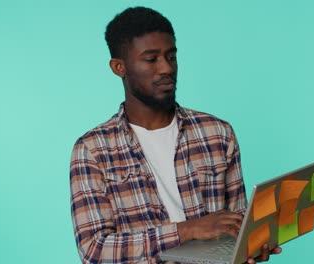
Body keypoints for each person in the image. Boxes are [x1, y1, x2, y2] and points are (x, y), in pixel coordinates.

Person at [70, 6, 281, 263]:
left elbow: (236, 220)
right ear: (119, 67)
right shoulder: (92, 150)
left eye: (171, 56)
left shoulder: (218, 134)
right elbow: (94, 249)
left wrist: (252, 243)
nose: (166, 68)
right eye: (151, 59)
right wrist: (187, 230)